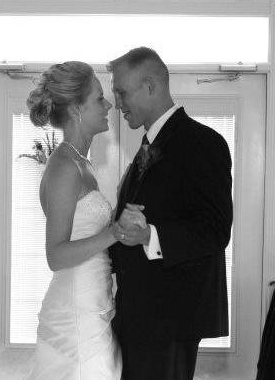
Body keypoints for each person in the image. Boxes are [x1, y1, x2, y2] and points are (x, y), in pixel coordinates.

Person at [108, 47, 233, 380]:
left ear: (150, 86)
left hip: (169, 318)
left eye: (122, 92)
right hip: (141, 317)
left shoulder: (202, 143)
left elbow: (216, 229)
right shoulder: (151, 143)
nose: (117, 103)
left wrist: (150, 235)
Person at [25, 61, 122, 379]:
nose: (108, 104)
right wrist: (114, 233)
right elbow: (56, 255)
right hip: (77, 311)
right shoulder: (65, 167)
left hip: (94, 301)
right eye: (99, 98)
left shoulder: (81, 163)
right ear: (78, 109)